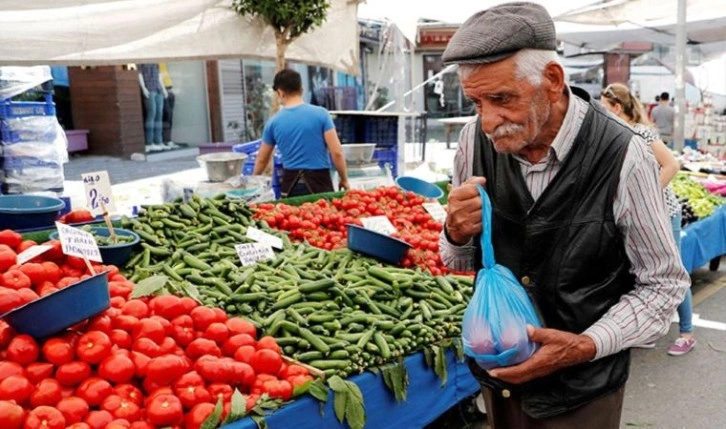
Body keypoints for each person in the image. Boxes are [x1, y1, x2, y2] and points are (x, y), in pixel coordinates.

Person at [439, 3, 689, 428]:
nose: (487, 121)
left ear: (552, 81)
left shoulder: (623, 155)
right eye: (476, 102)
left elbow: (664, 284)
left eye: (501, 99)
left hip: (582, 394)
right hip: (499, 381)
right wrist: (455, 232)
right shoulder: (472, 142)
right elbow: (459, 261)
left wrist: (585, 345)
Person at [600, 83, 696, 356]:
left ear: (617, 108)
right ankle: (649, 330)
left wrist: (647, 198)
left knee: (671, 271)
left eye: (605, 109)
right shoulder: (613, 136)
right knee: (641, 271)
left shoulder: (640, 133)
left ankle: (687, 332)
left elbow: (672, 165)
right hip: (637, 217)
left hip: (665, 213)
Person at [253, 69, 349, 196]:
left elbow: (262, 159)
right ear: (302, 90)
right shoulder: (321, 114)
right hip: (320, 184)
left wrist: (253, 182)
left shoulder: (273, 122)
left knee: (294, 215)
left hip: (291, 186)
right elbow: (336, 153)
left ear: (280, 93)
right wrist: (344, 179)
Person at [138, 64, 168, 153]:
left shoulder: (156, 63)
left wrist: (163, 89)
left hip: (158, 89)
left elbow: (159, 76)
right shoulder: (141, 62)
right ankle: (149, 142)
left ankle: (159, 141)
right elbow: (139, 75)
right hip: (149, 89)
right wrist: (143, 88)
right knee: (152, 114)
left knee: (159, 115)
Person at [159, 63, 178, 149]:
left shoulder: (162, 61)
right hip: (162, 90)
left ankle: (168, 140)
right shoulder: (154, 61)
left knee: (169, 117)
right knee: (166, 116)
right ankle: (164, 140)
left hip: (169, 88)